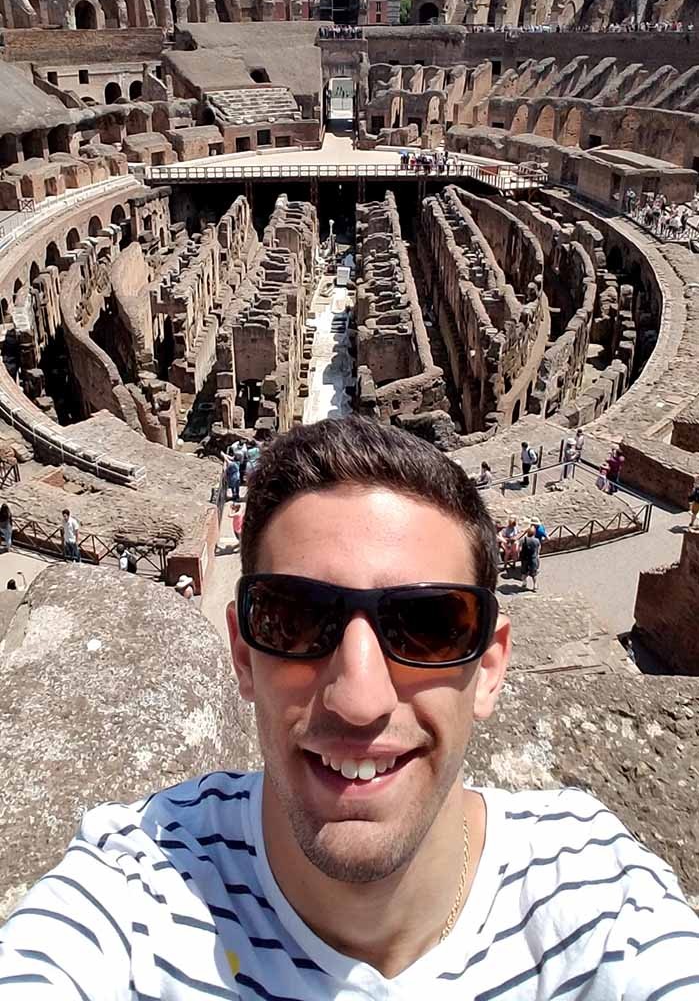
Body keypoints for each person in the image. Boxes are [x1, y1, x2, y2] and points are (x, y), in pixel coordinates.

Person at [2, 417, 698, 999]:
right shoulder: (132, 886)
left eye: (427, 623)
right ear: (243, 656)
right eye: (295, 619)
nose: (358, 699)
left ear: (488, 665)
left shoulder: (602, 897)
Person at [519, 523, 541, 591]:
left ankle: (524, 583)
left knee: (524, 572)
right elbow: (538, 549)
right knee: (534, 574)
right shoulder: (536, 540)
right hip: (533, 559)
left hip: (525, 559)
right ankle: (535, 586)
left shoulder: (522, 540)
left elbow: (519, 549)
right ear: (534, 533)